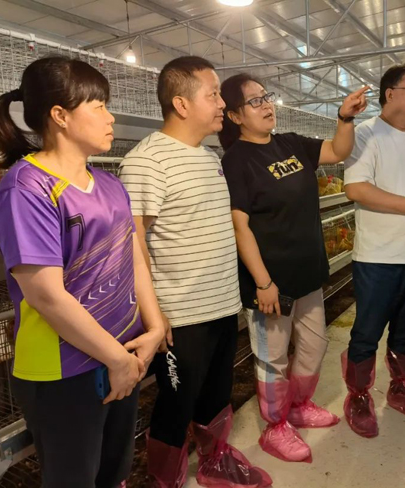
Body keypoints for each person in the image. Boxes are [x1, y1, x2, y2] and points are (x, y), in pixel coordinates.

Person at [0, 57, 166, 488]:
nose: (110, 117)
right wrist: (116, 359)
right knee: (73, 478)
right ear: (60, 116)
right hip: (64, 369)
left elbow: (133, 256)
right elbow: (46, 295)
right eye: (99, 106)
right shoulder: (26, 188)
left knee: (114, 471)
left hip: (122, 353)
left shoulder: (110, 185)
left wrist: (155, 326)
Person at [119, 57, 270, 488]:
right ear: (182, 104)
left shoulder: (208, 156)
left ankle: (214, 460)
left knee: (216, 393)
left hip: (220, 304)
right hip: (180, 315)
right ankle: (165, 478)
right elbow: (133, 243)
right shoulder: (146, 161)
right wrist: (154, 313)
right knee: (176, 401)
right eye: (214, 94)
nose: (222, 103)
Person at [219, 73, 368, 462]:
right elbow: (240, 225)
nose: (266, 104)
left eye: (266, 96)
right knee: (273, 358)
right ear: (234, 115)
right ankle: (275, 425)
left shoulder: (291, 143)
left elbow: (338, 150)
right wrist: (262, 282)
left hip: (308, 273)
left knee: (315, 344)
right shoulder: (236, 160)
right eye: (254, 101)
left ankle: (299, 406)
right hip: (272, 283)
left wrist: (345, 118)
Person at [341, 63, 405, 438]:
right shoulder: (366, 133)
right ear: (390, 93)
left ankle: (401, 388)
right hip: (377, 258)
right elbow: (356, 189)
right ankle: (358, 396)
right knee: (366, 333)